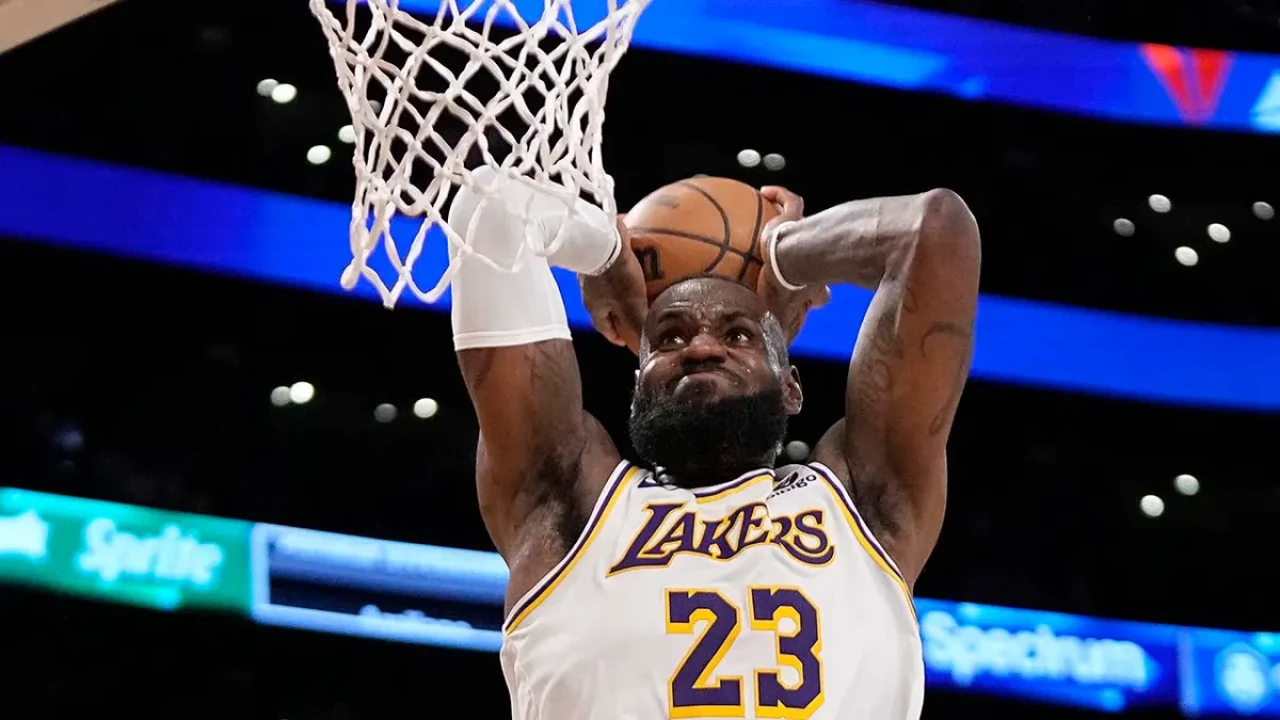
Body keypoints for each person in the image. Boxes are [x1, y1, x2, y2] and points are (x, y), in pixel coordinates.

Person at [448, 174, 980, 719]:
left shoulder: (866, 503)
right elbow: (493, 207)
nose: (701, 347)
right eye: (670, 337)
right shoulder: (565, 506)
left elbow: (934, 228)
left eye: (739, 335)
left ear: (791, 386)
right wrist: (605, 252)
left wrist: (785, 254)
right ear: (638, 385)